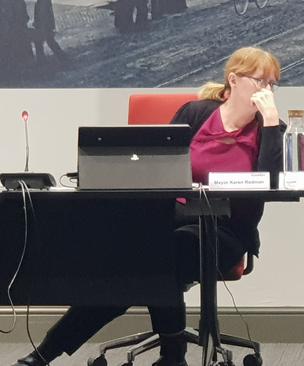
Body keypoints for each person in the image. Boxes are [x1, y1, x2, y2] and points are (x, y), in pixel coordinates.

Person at [12, 46, 285, 366]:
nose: (267, 90)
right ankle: (171, 356)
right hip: (167, 223)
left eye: (273, 84)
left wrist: (269, 121)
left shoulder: (268, 128)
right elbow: (158, 168)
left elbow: (271, 186)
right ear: (234, 80)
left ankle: (45, 355)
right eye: (260, 81)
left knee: (142, 264)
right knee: (145, 265)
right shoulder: (195, 114)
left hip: (225, 232)